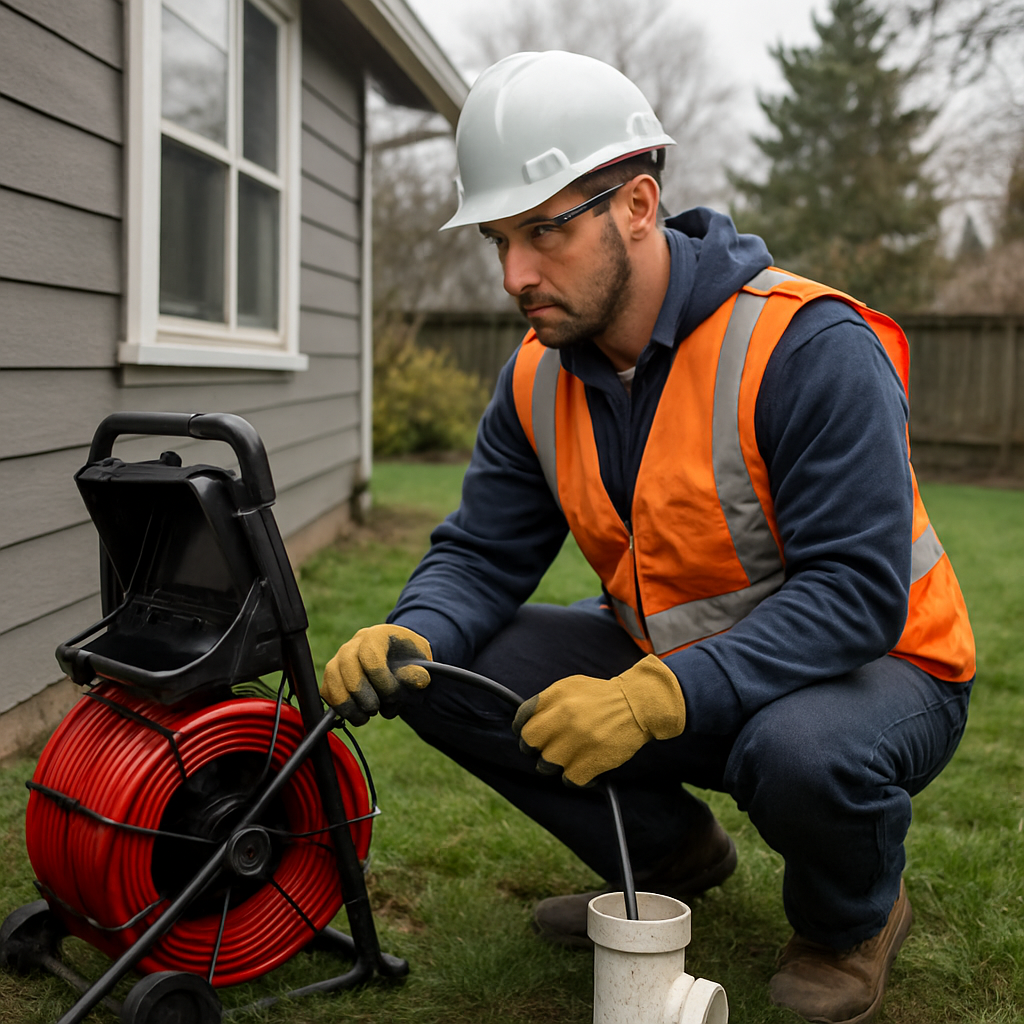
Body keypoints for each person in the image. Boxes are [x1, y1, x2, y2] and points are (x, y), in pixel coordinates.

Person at [320, 51, 975, 1024]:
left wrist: (659, 694)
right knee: (447, 671)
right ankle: (672, 856)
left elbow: (854, 593)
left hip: (880, 668)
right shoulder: (537, 378)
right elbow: (482, 551)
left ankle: (850, 919)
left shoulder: (805, 347)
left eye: (544, 230)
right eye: (500, 237)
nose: (513, 273)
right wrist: (415, 628)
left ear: (636, 204)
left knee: (798, 750)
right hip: (671, 667)